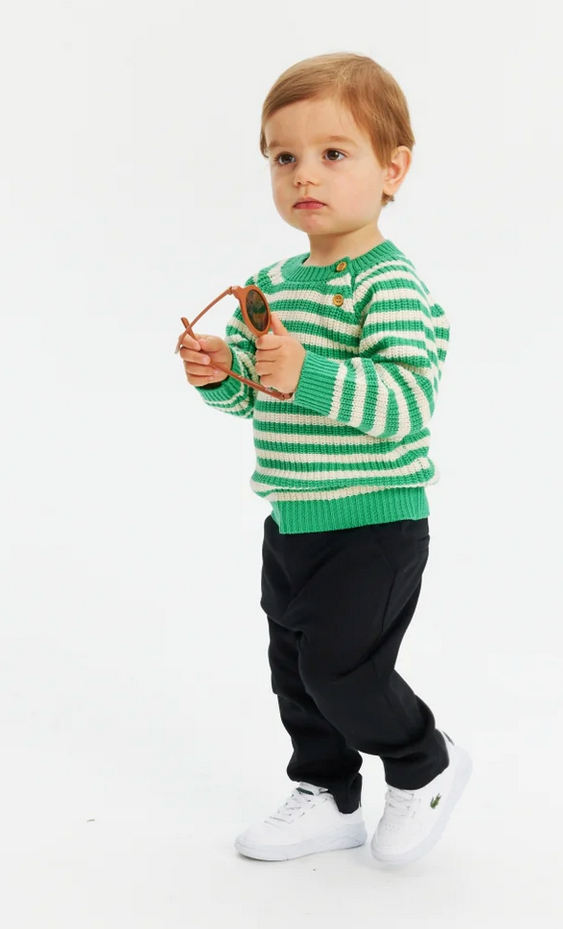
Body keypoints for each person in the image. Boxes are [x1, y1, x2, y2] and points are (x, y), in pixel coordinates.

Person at [178, 52, 472, 867]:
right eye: (284, 157)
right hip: (293, 518)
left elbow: (406, 404)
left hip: (373, 524)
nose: (304, 173)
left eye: (334, 153)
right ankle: (327, 793)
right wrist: (219, 374)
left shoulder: (389, 284)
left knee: (345, 672)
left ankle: (424, 761)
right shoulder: (270, 284)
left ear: (393, 170)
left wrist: (305, 371)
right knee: (297, 674)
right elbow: (256, 398)